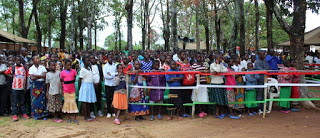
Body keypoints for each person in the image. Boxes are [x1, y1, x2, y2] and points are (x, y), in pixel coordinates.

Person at [5, 56, 30, 121]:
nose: (18, 61)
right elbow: (6, 72)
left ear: (21, 60)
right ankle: (15, 114)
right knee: (14, 102)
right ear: (15, 61)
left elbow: (26, 77)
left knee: (22, 101)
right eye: (17, 60)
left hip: (22, 88)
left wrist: (25, 86)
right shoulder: (13, 68)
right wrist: (11, 76)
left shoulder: (24, 68)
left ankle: (23, 113)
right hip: (15, 88)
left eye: (19, 60)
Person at [29, 56, 49, 120]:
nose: (38, 59)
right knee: (35, 100)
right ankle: (36, 115)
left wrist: (36, 75)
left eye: (38, 58)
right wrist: (41, 76)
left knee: (43, 99)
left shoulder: (42, 67)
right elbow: (32, 78)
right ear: (33, 60)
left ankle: (44, 115)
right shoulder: (31, 68)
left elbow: (45, 76)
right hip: (35, 85)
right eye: (36, 58)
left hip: (42, 84)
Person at [79, 56, 97, 121]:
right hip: (85, 86)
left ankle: (89, 115)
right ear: (83, 62)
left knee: (89, 101)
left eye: (89, 60)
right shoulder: (83, 70)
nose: (89, 62)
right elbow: (79, 79)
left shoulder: (89, 68)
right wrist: (79, 89)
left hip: (90, 85)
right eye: (87, 61)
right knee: (84, 101)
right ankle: (85, 116)